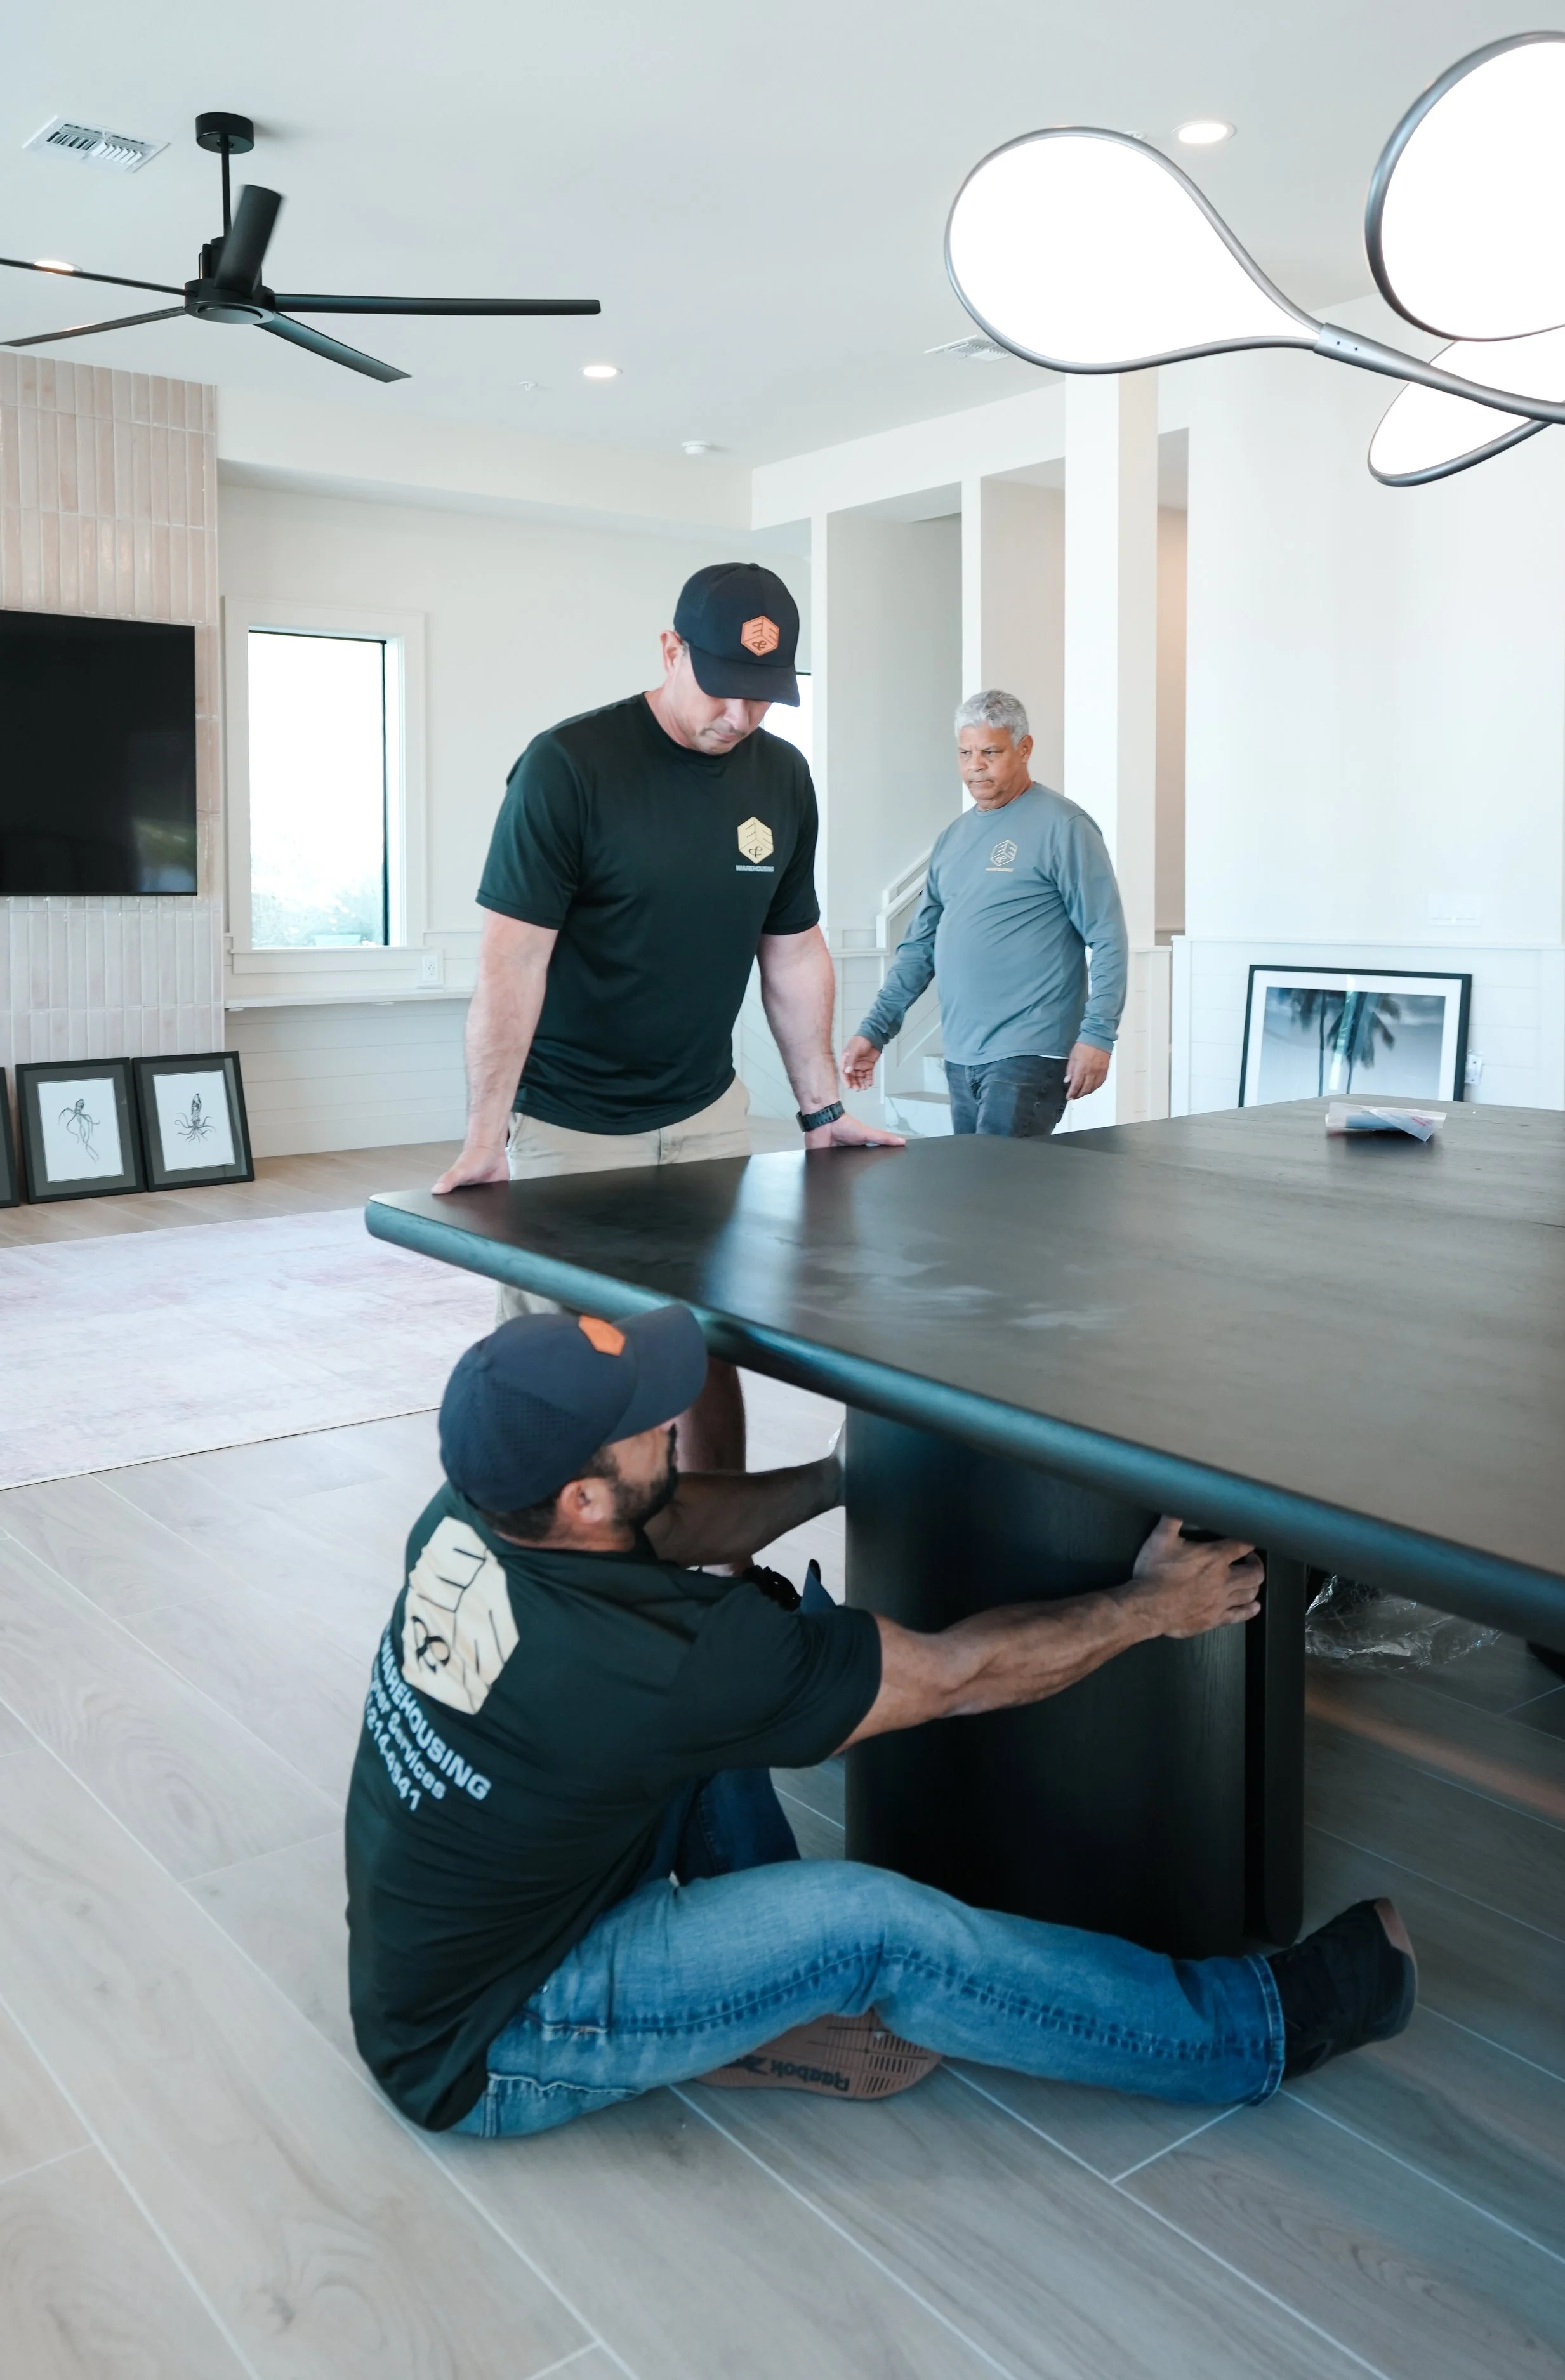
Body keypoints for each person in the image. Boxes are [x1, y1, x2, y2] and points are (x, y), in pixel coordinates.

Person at [345, 1305, 1417, 2139]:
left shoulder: (477, 1513)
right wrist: (1151, 1609)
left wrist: (834, 1479)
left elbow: (664, 1523)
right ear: (580, 1497)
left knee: (715, 1702)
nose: (670, 1417)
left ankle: (759, 2008)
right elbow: (956, 1676)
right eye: (643, 1422)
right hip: (499, 2041)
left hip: (444, 1957)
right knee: (878, 1927)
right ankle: (1251, 2036)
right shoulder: (664, 1665)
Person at [433, 560, 900, 1474]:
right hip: (572, 1122)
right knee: (573, 1372)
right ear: (671, 648)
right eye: (723, 687)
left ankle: (723, 1569)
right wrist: (488, 1135)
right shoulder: (568, 767)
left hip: (704, 1114)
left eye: (764, 697)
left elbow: (793, 949)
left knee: (699, 1350)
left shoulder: (782, 777)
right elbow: (511, 961)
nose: (740, 716)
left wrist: (820, 1110)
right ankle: (563, 1576)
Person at [842, 689, 1128, 1139]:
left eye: (990, 752)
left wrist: (1098, 1036)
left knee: (1000, 1193)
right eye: (965, 753)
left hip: (1031, 1050)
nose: (975, 765)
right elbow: (919, 948)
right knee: (977, 1198)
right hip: (962, 1054)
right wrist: (875, 1030)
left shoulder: (1064, 827)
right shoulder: (952, 839)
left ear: (1024, 748)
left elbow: (1108, 936)